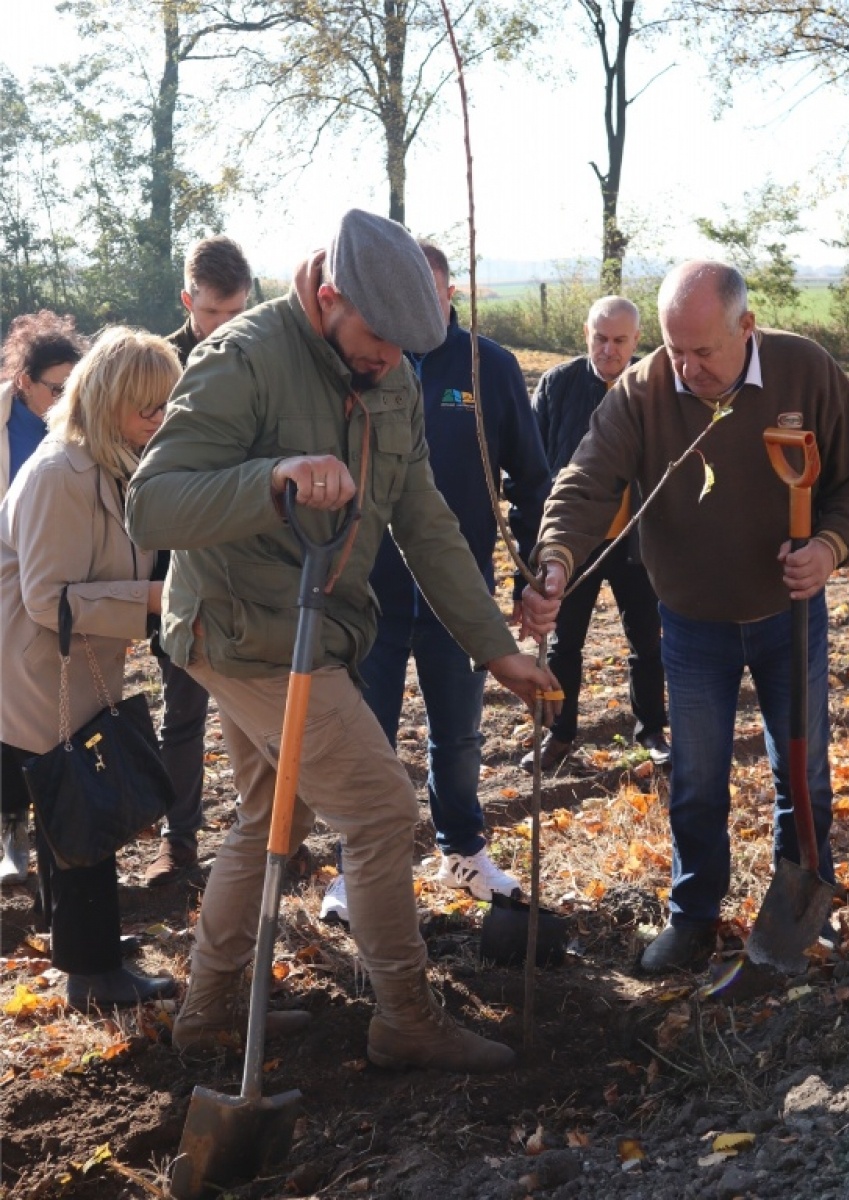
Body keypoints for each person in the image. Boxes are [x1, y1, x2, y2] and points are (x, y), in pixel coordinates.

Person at [126, 208, 560, 1070]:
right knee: (383, 810)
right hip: (240, 629)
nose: (393, 362)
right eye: (380, 341)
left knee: (266, 817)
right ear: (328, 297)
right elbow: (154, 501)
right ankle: (404, 1015)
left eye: (407, 348)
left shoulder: (387, 371)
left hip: (312, 626)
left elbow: (422, 516)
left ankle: (209, 1012)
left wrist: (493, 646)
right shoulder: (242, 357)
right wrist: (272, 477)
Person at [521, 261, 849, 974]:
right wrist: (556, 558)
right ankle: (691, 918)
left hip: (789, 615)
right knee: (693, 777)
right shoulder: (644, 389)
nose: (684, 368)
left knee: (800, 772)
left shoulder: (804, 372)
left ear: (744, 327)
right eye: (672, 350)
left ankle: (803, 907)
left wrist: (829, 549)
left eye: (702, 352)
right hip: (689, 622)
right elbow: (587, 480)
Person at [319, 240, 550, 925]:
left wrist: (527, 575)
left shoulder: (491, 368)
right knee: (368, 738)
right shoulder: (361, 363)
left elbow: (533, 480)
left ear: (450, 294)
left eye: (435, 298)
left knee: (459, 736)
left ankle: (464, 852)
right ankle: (354, 871)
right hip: (371, 596)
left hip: (460, 596)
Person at [0, 326, 180, 1009]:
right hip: (40, 665)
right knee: (79, 809)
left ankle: (84, 943)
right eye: (147, 409)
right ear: (108, 402)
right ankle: (92, 974)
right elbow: (47, 599)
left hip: (76, 661)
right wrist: (154, 601)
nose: (158, 422)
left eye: (168, 407)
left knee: (72, 808)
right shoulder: (58, 475)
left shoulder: (109, 460)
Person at [520, 296, 669, 775]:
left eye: (619, 340)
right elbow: (531, 471)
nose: (608, 349)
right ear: (586, 334)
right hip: (574, 545)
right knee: (566, 645)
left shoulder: (656, 388)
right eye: (600, 338)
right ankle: (559, 737)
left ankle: (651, 731)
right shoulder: (557, 386)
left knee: (648, 642)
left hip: (636, 543)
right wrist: (538, 552)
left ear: (636, 341)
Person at [145, 235, 254, 886]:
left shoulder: (261, 356)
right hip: (178, 568)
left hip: (250, 561)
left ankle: (265, 830)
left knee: (255, 704)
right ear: (189, 302)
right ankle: (177, 840)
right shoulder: (157, 368)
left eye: (237, 310)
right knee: (182, 708)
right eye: (214, 313)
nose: (225, 326)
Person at [0, 311, 87, 887]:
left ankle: (53, 838)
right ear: (24, 381)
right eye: (55, 388)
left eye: (71, 388)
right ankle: (13, 826)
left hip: (56, 584)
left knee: (53, 715)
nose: (64, 400)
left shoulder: (73, 423)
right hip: (6, 585)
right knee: (7, 715)